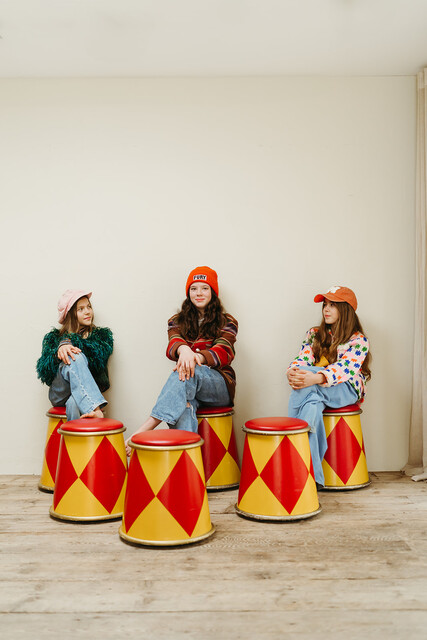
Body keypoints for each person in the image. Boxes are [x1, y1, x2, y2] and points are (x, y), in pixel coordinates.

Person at [126, 266, 238, 455]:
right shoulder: (176, 320)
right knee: (184, 406)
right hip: (188, 382)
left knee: (187, 372)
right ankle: (187, 467)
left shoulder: (227, 321)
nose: (199, 293)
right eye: (194, 288)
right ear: (188, 293)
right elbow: (173, 345)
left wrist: (196, 357)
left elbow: (224, 350)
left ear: (213, 292)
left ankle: (148, 425)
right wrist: (184, 349)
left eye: (205, 288)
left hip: (219, 386)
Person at [286, 286, 371, 486]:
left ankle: (290, 451)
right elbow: (303, 358)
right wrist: (293, 371)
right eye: (325, 305)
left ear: (346, 310)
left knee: (309, 384)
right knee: (312, 404)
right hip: (316, 389)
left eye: (333, 305)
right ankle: (313, 478)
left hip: (347, 388)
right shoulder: (315, 333)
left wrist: (315, 378)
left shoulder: (358, 340)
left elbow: (345, 369)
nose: (326, 309)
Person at [36, 289, 113, 421]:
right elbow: (45, 372)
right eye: (81, 309)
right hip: (60, 393)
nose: (88, 311)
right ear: (70, 314)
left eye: (89, 306)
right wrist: (62, 346)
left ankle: (72, 441)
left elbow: (98, 360)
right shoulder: (54, 338)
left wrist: (69, 344)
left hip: (84, 394)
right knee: (74, 356)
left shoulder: (101, 337)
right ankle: (96, 409)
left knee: (73, 404)